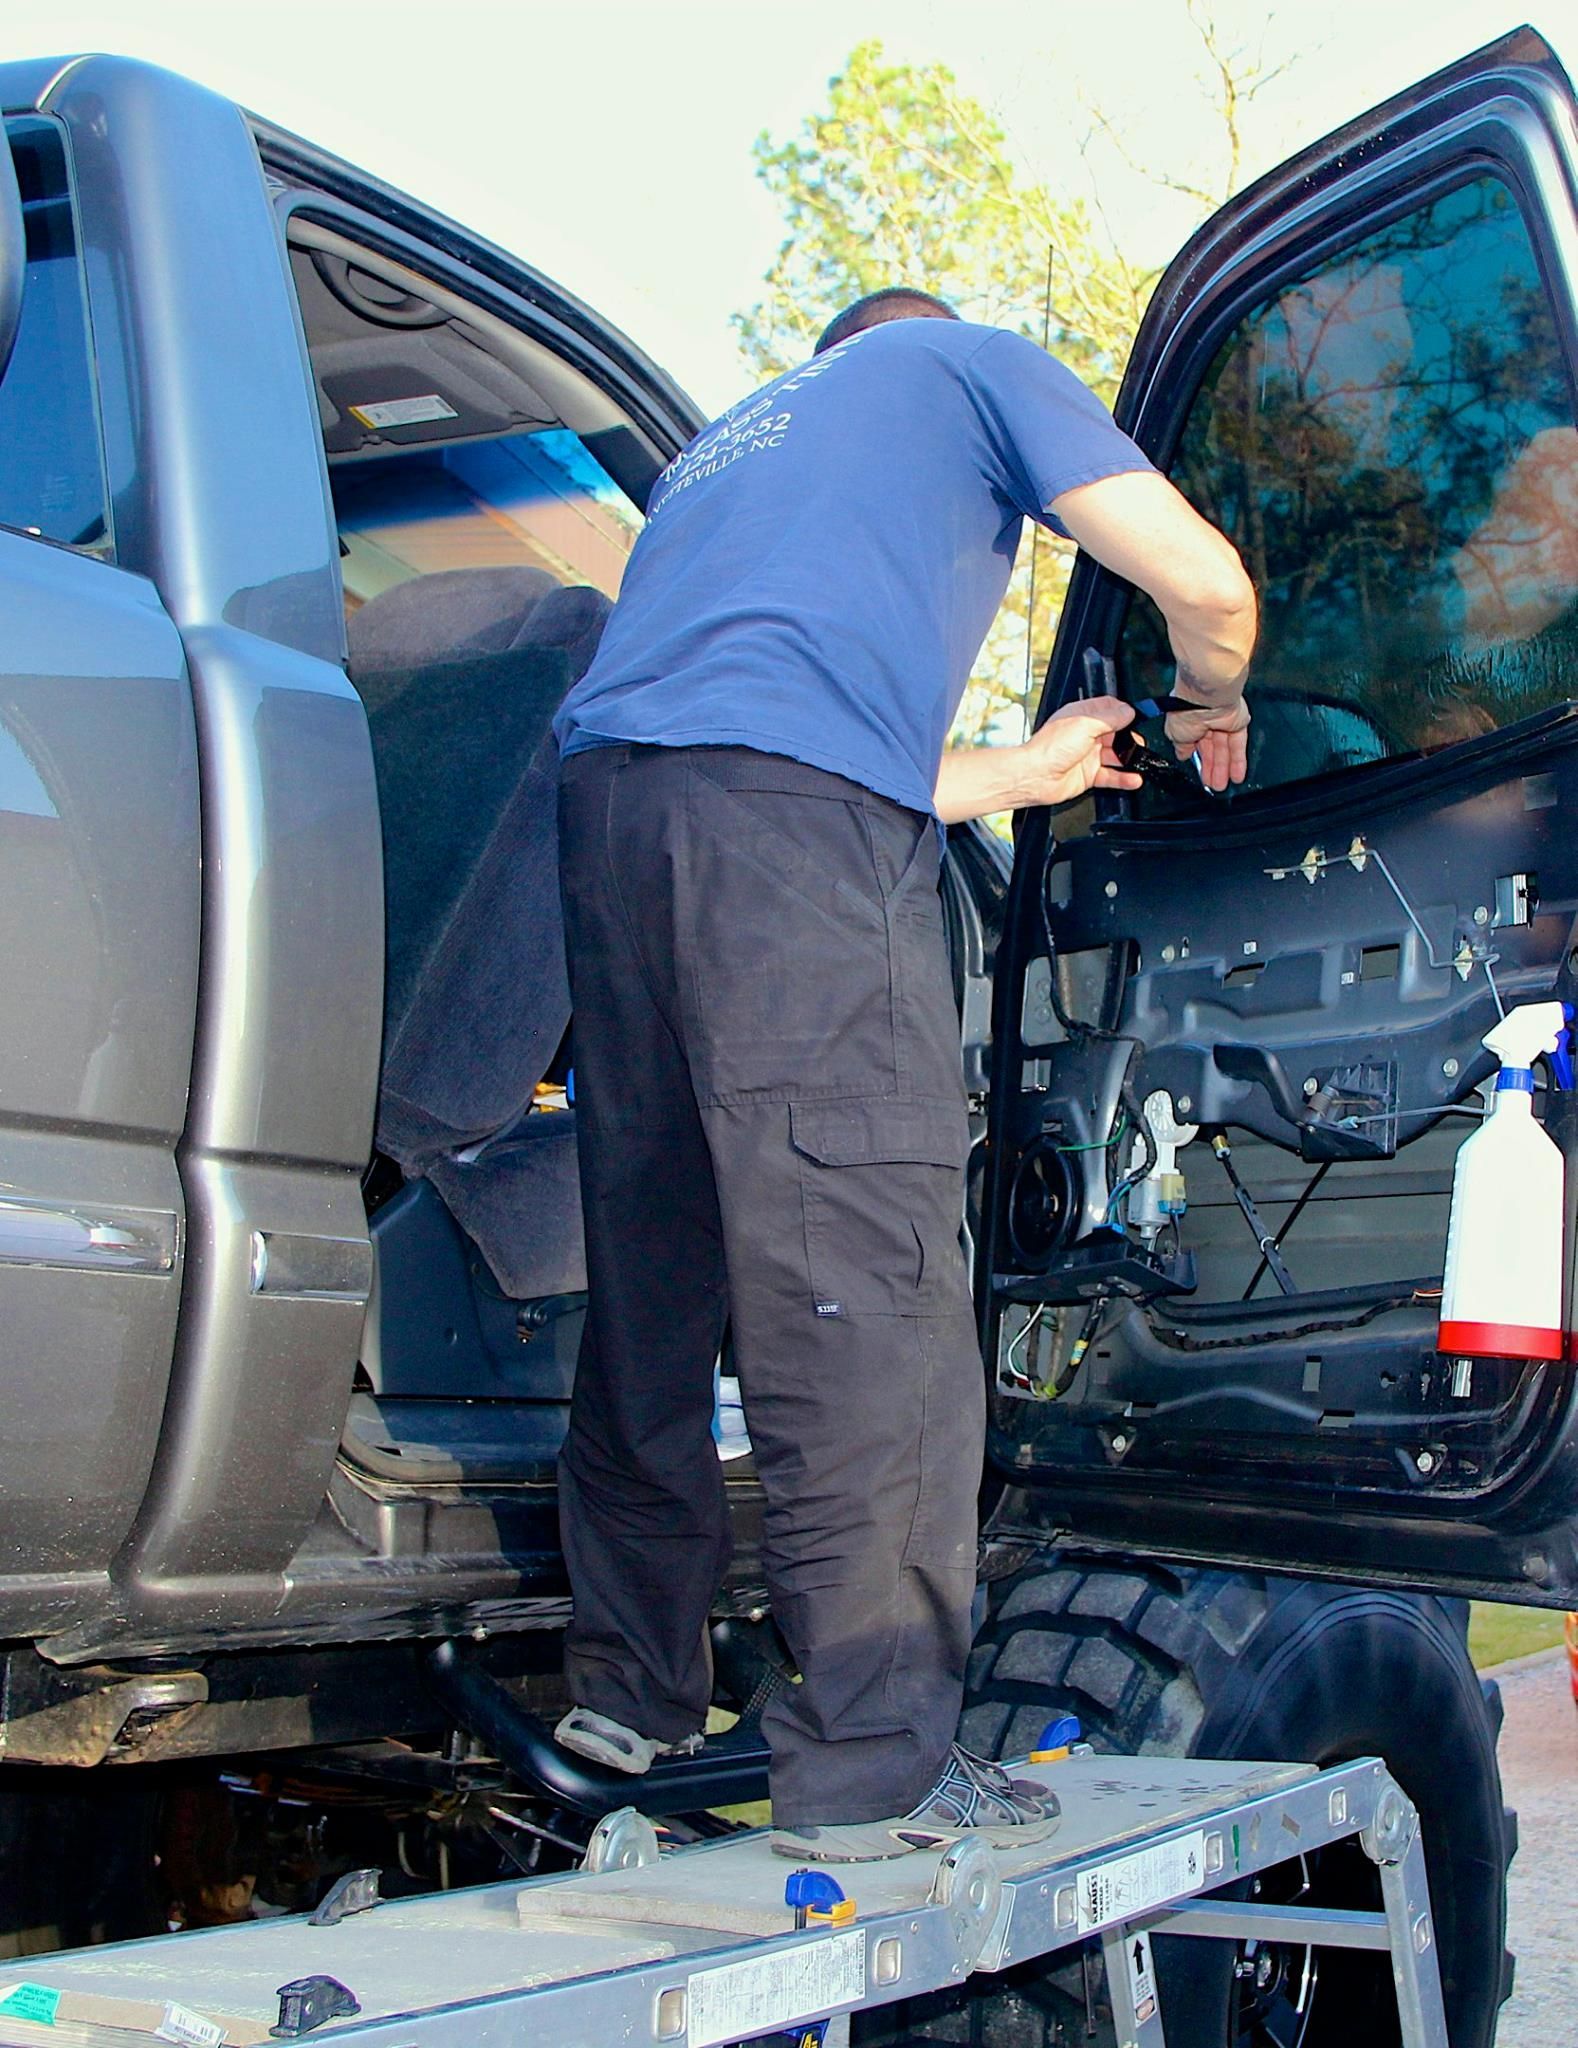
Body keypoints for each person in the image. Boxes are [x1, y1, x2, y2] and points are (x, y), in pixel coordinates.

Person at [550, 287, 1256, 1863]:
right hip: (787, 839)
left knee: (657, 1264)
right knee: (858, 1272)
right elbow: (1199, 576)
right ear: (918, 336)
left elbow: (763, 729)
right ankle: (872, 1760)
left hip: (610, 822)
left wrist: (1020, 771)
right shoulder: (966, 360)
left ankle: (630, 1686)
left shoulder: (720, 454)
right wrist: (1211, 690)